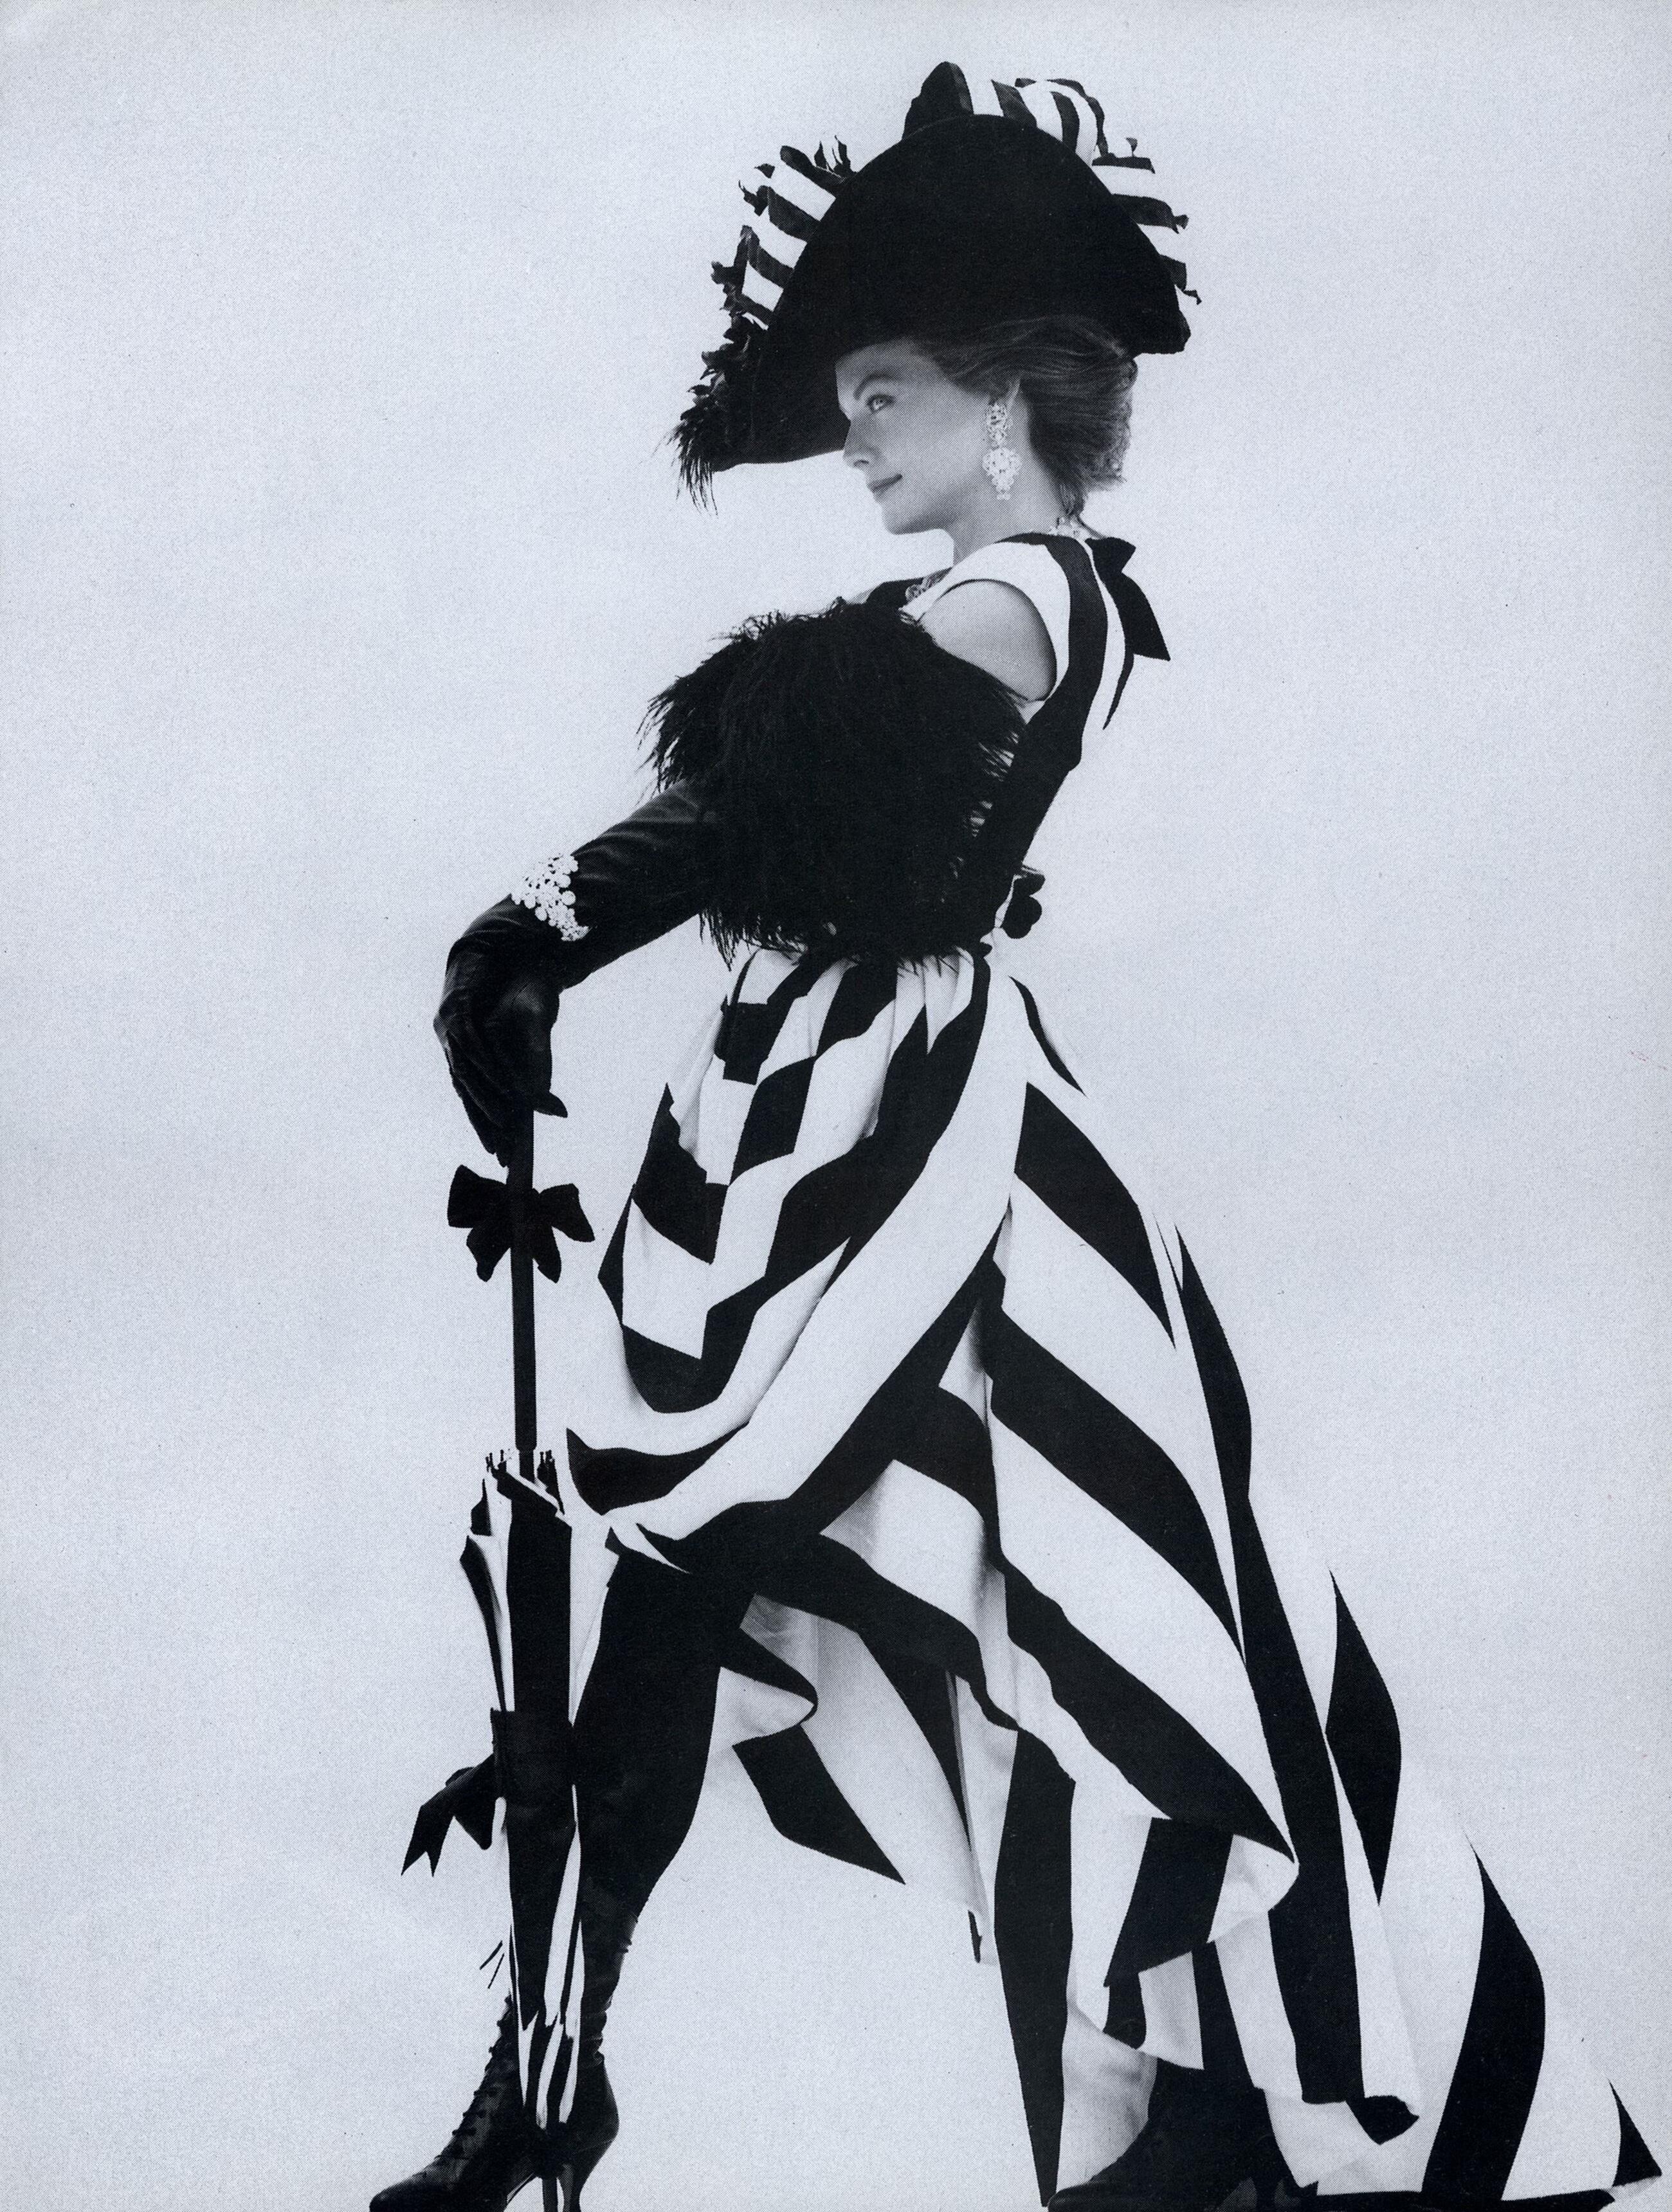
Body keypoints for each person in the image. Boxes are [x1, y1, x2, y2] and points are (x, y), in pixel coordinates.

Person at [374, 64, 1659, 2212]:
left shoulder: (1036, 596)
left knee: (1084, 1615)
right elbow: (761, 816)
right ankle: (553, 2059)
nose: (856, 436)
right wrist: (534, 942)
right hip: (794, 1141)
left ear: (997, 404)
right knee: (700, 1600)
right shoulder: (947, 609)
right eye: (847, 403)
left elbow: (765, 806)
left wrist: (536, 930)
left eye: (882, 394)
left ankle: (1218, 2096)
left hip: (927, 1167)